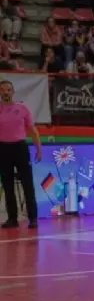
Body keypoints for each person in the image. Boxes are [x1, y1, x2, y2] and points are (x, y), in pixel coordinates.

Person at [0, 79, 42, 229]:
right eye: (3, 90)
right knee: (8, 185)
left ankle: (33, 218)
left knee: (27, 184)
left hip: (20, 148)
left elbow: (32, 130)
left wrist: (39, 148)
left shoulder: (22, 109)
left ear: (13, 92)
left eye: (8, 90)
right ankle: (12, 219)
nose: (6, 92)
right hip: (3, 149)